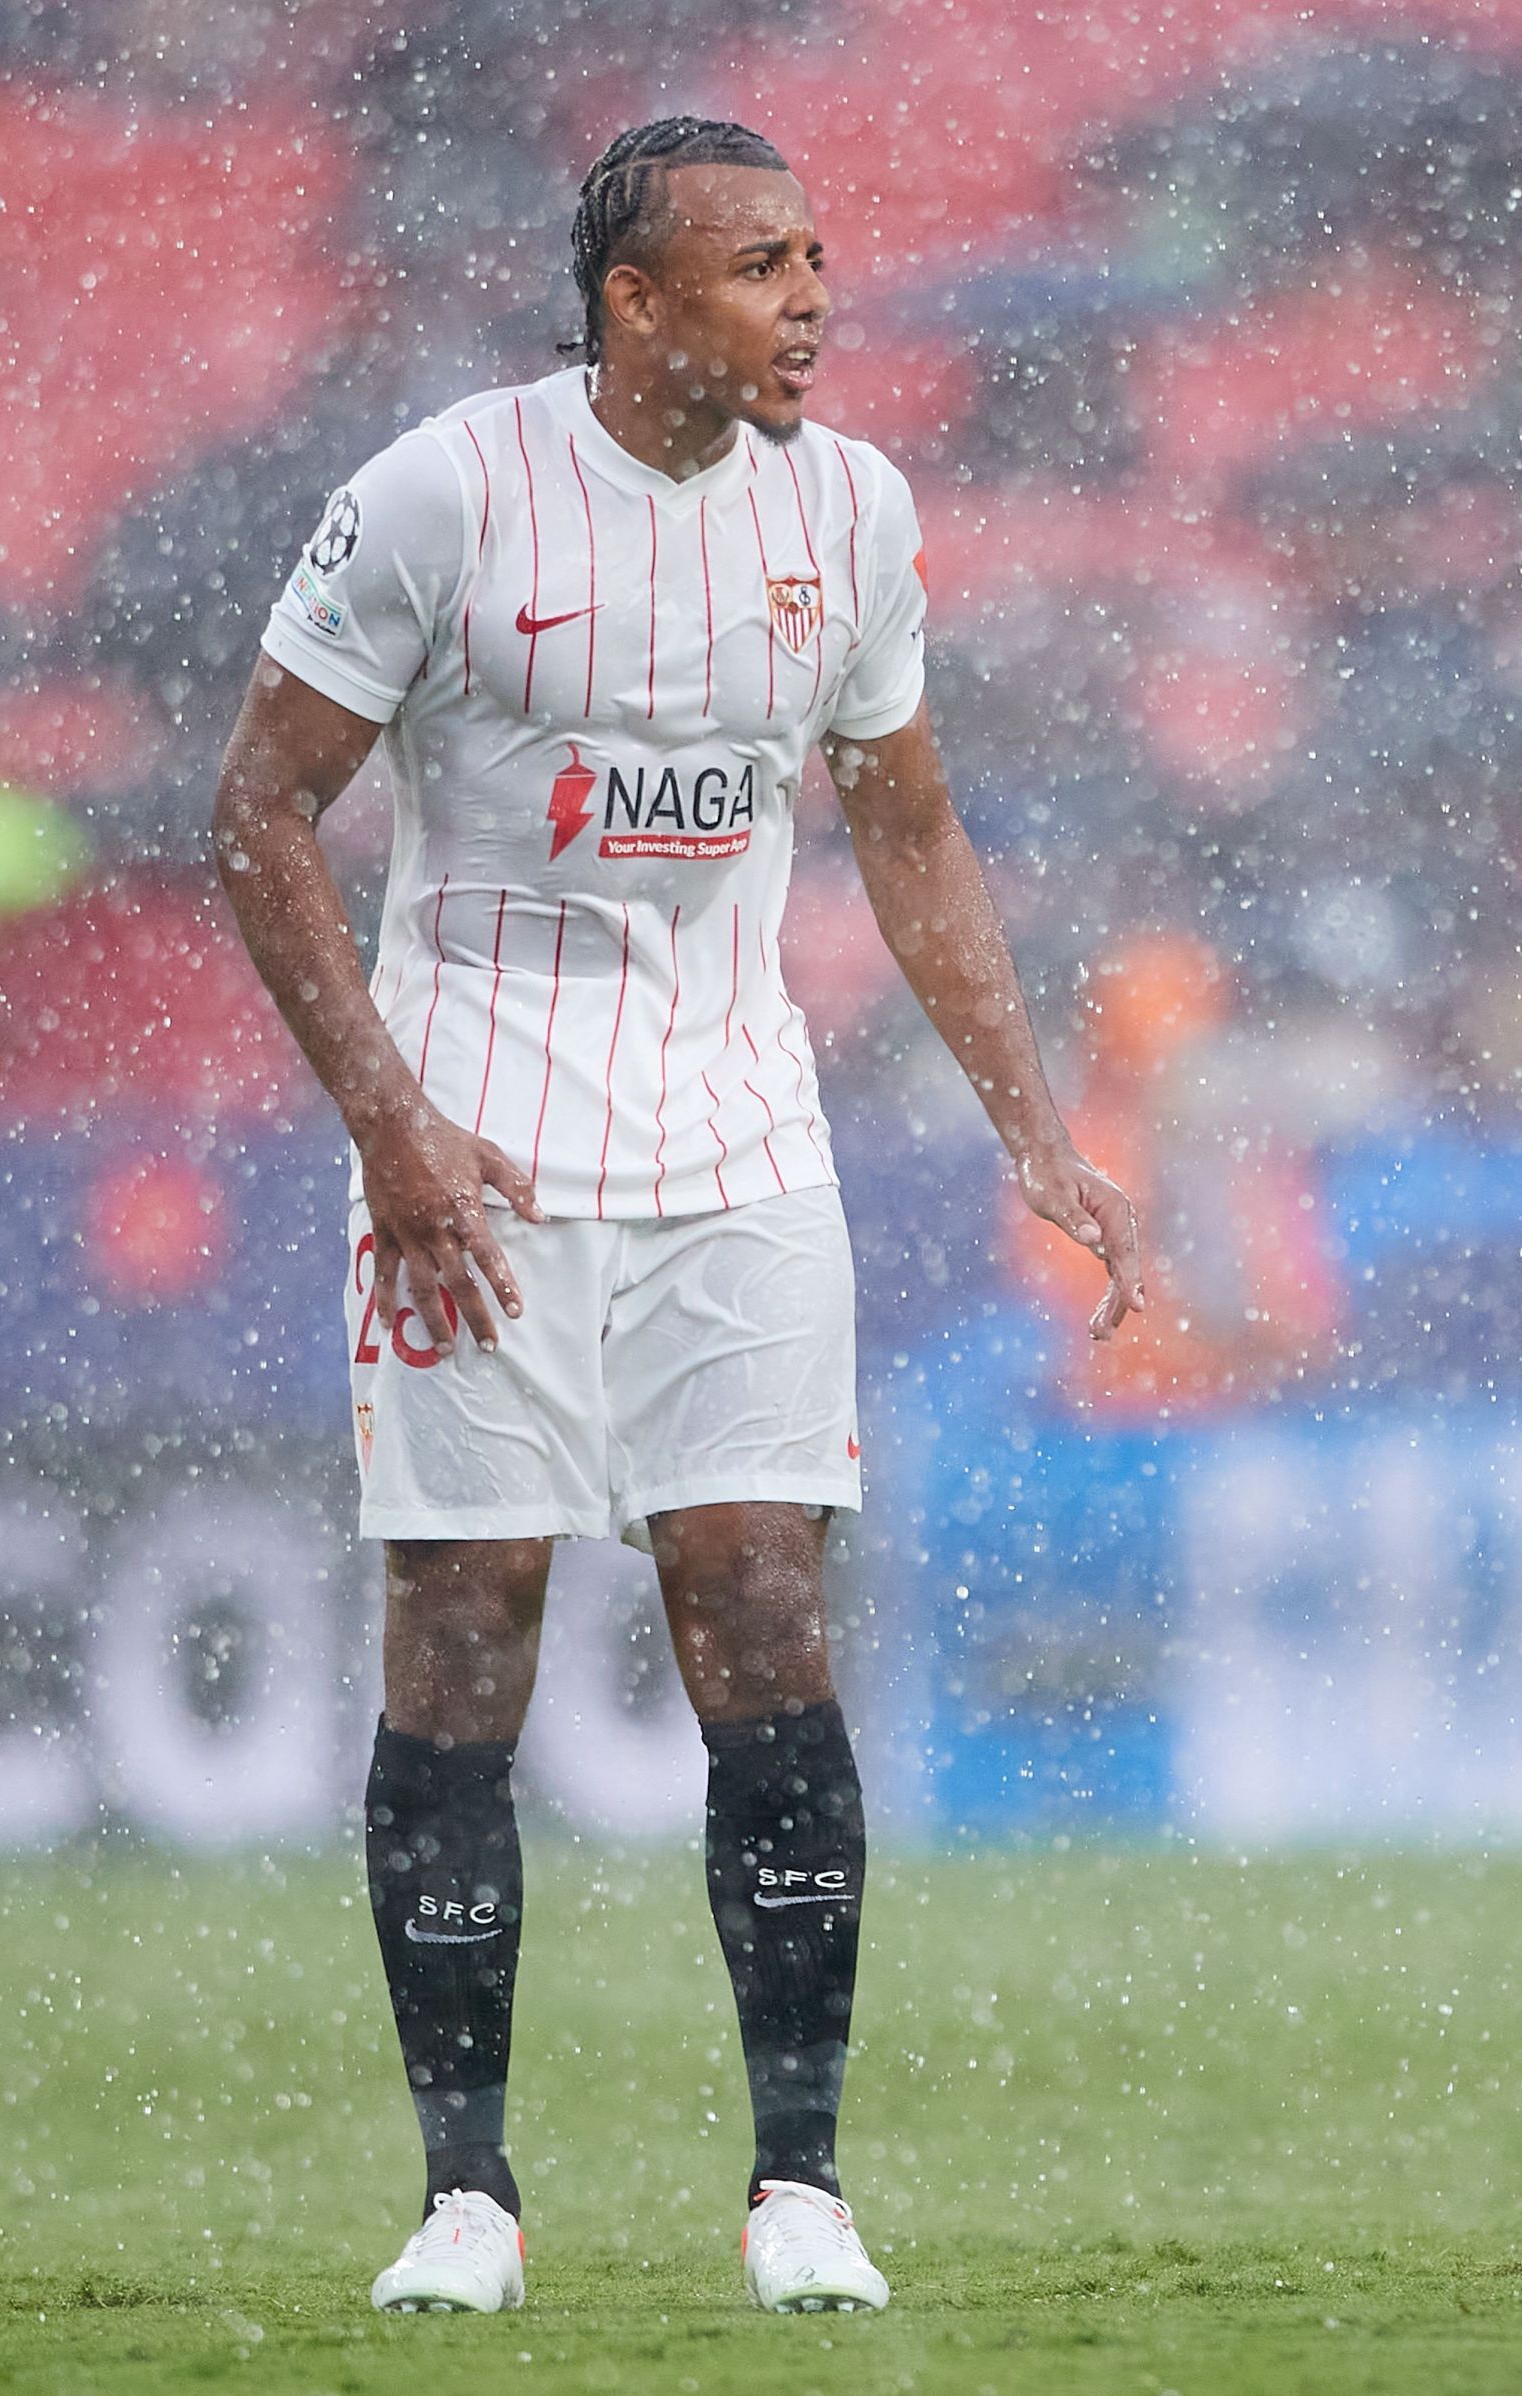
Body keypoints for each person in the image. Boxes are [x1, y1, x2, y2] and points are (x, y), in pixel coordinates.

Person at [213, 115, 1141, 2318]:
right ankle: (467, 2192)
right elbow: (257, 814)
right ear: (634, 304)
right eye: (757, 264)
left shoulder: (854, 511)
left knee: (764, 1619)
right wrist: (393, 1128)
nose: (810, 297)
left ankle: (799, 2183)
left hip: (740, 1137)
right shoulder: (450, 491)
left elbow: (909, 833)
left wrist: (1031, 1121)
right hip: (482, 1154)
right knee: (464, 1631)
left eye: (818, 254)